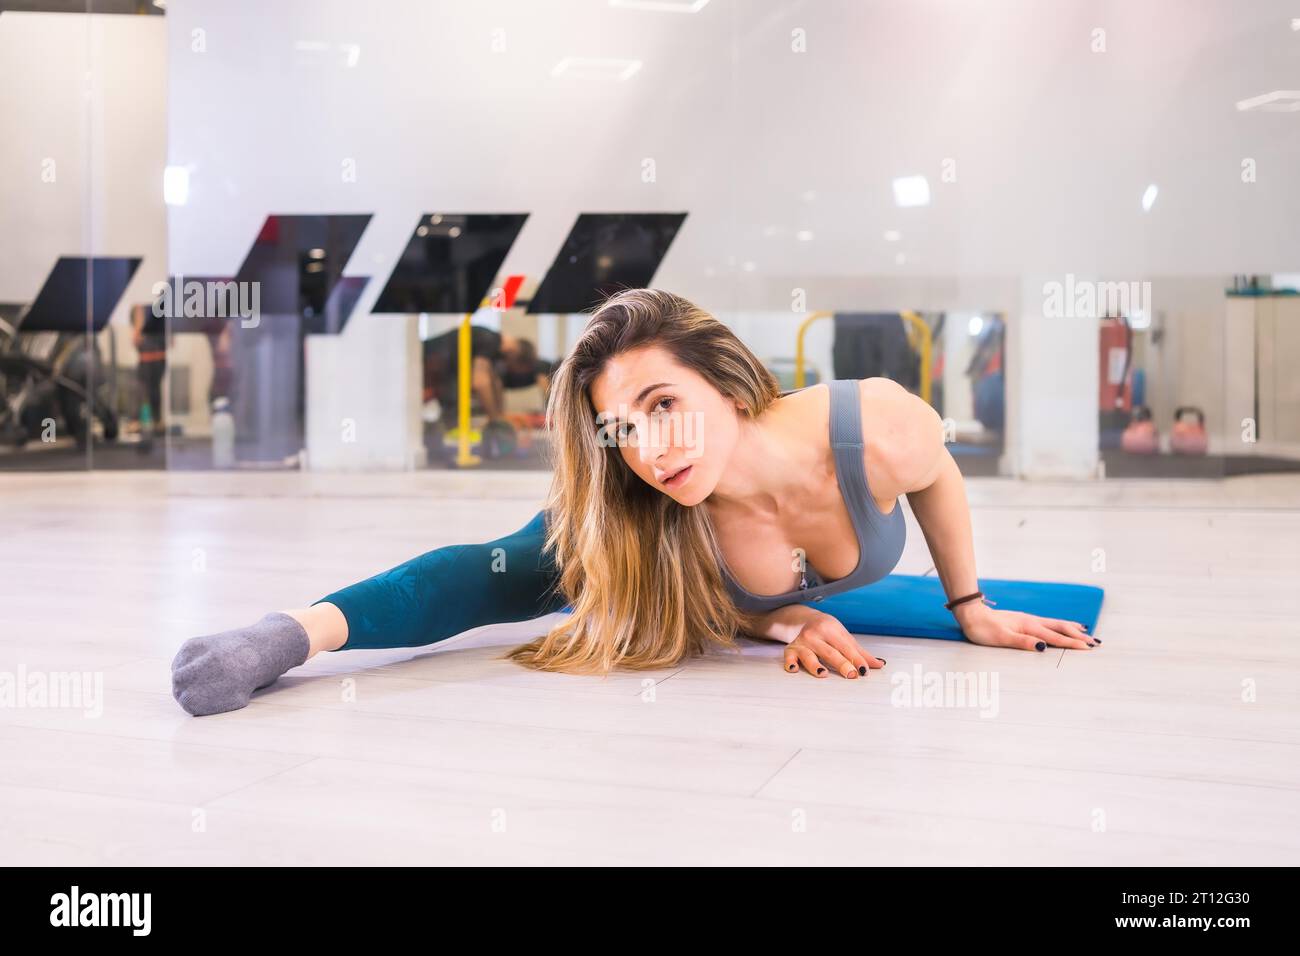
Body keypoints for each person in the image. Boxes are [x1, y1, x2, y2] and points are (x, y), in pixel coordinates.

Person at [172, 288, 1095, 717]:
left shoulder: (876, 426)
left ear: (730, 386)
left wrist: (969, 606)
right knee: (497, 572)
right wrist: (777, 623)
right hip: (622, 553)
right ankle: (284, 633)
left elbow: (937, 477)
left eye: (665, 406)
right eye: (624, 427)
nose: (652, 449)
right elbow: (460, 587)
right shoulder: (643, 512)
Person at [422, 326, 550, 424]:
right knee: (452, 411)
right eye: (513, 367)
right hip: (423, 361)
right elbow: (480, 382)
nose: (509, 369)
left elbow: (495, 382)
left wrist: (500, 416)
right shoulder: (491, 342)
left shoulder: (494, 347)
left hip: (436, 367)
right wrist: (495, 421)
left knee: (452, 410)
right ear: (514, 356)